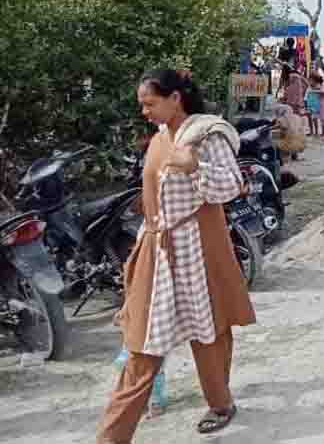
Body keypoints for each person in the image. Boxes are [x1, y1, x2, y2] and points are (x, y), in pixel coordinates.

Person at [98, 69, 254, 442]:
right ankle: (111, 437)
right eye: (142, 105)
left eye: (150, 103)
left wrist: (195, 165)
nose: (144, 112)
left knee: (211, 330)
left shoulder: (205, 136)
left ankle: (221, 404)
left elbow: (233, 186)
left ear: (175, 98)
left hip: (198, 248)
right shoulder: (159, 139)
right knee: (142, 345)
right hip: (159, 249)